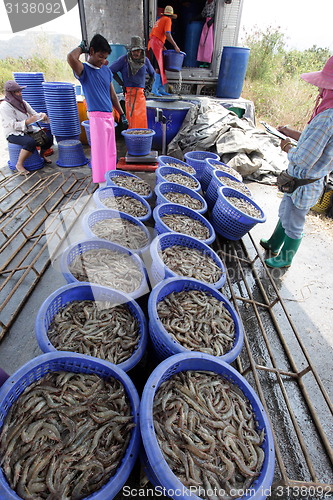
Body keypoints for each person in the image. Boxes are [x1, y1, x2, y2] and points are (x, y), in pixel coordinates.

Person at [260, 55, 333, 269]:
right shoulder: (326, 114)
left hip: (305, 181)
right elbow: (314, 141)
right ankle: (274, 243)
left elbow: (304, 159)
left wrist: (288, 147)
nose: (320, 91)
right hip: (300, 181)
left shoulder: (327, 117)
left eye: (324, 87)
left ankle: (286, 258)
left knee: (295, 221)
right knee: (286, 212)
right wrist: (290, 133)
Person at [67, 34, 128, 185]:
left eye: (105, 57)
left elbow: (113, 95)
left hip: (109, 116)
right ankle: (101, 183)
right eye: (100, 56)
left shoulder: (106, 71)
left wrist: (122, 113)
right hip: (96, 117)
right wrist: (82, 48)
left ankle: (109, 178)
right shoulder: (84, 70)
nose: (102, 60)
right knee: (100, 153)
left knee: (110, 151)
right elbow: (71, 57)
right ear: (92, 51)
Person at [0, 80, 53, 175]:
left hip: (27, 130)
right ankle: (19, 164)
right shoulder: (4, 106)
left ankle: (42, 155)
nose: (20, 94)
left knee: (48, 137)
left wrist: (42, 116)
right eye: (17, 92)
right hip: (13, 133)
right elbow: (11, 125)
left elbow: (34, 114)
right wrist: (27, 121)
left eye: (20, 91)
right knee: (30, 142)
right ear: (10, 93)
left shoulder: (23, 103)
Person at [110, 36, 155, 129]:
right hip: (129, 94)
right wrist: (121, 83)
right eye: (134, 50)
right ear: (130, 50)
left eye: (138, 50)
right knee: (131, 120)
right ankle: (132, 141)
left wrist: (148, 88)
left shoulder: (145, 60)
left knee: (141, 120)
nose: (136, 53)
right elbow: (110, 70)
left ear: (141, 51)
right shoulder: (124, 60)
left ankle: (141, 140)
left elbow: (153, 74)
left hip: (141, 95)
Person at [148, 5, 181, 96]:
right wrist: (175, 46)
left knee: (161, 67)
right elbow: (167, 34)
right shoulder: (167, 20)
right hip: (156, 44)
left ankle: (161, 88)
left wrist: (163, 46)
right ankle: (154, 89)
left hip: (154, 43)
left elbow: (157, 34)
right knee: (158, 67)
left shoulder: (160, 19)